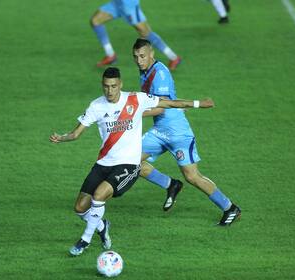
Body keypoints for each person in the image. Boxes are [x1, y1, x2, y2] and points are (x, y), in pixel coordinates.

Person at [49, 67, 214, 256]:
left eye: (113, 86)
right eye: (106, 87)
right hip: (104, 163)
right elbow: (76, 134)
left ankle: (85, 240)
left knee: (99, 196)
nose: (109, 91)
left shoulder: (136, 99)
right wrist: (62, 138)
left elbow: (169, 103)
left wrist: (199, 103)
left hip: (128, 164)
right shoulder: (96, 106)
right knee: (80, 208)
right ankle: (102, 226)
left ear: (120, 85)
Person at [132, 38, 241, 226]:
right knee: (130, 161)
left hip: (178, 133)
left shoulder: (160, 74)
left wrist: (132, 114)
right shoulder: (145, 71)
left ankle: (230, 207)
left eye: (142, 56)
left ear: (152, 54)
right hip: (160, 131)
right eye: (135, 57)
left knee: (192, 176)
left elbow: (161, 108)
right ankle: (170, 185)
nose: (139, 60)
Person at [90, 0, 182, 70]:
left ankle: (173, 57)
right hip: (117, 3)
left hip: (129, 5)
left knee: (145, 33)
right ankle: (110, 55)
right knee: (96, 21)